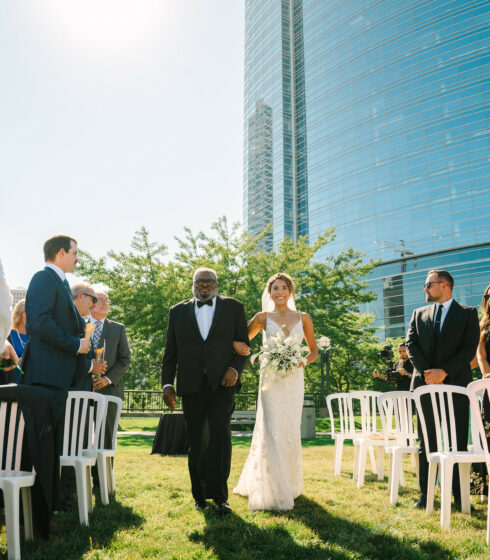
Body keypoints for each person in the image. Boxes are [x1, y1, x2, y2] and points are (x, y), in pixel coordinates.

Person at [161, 267, 249, 514]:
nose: (205, 285)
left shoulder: (234, 307)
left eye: (210, 282)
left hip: (223, 385)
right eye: (200, 281)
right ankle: (199, 496)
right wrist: (167, 384)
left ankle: (220, 497)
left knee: (220, 440)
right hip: (191, 387)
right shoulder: (177, 312)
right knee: (198, 441)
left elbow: (245, 345)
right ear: (193, 284)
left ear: (217, 284)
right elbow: (171, 352)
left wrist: (235, 368)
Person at [233, 272, 318, 510]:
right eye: (275, 288)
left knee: (289, 429)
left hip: (293, 381)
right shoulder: (262, 318)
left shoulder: (304, 318)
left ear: (290, 291)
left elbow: (313, 352)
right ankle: (270, 488)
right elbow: (243, 342)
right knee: (271, 428)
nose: (279, 292)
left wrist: (299, 362)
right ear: (269, 293)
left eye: (283, 288)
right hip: (270, 381)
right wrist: (240, 349)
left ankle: (289, 484)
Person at [406, 269, 480, 509]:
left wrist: (444, 372)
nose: (425, 289)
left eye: (429, 285)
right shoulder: (418, 314)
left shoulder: (468, 314)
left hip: (456, 385)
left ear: (445, 285)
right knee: (426, 441)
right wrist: (430, 373)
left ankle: (459, 496)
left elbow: (469, 349)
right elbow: (411, 345)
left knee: (457, 441)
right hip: (425, 386)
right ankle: (426, 495)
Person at [22, 234, 91, 390]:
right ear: (61, 252)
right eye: (74, 253)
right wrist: (77, 345)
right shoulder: (44, 278)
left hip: (58, 379)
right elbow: (41, 323)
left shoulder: (63, 283)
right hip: (44, 379)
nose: (77, 259)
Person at [89, 291, 130, 450]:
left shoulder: (118, 329)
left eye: (107, 300)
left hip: (110, 392)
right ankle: (83, 474)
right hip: (83, 389)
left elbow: (125, 359)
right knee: (82, 438)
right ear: (91, 303)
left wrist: (107, 379)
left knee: (106, 440)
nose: (105, 303)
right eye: (101, 300)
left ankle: (101, 475)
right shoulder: (80, 326)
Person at [71, 283, 107, 391]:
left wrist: (96, 364)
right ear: (81, 296)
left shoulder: (81, 322)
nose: (94, 305)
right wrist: (91, 366)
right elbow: (65, 356)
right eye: (94, 300)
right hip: (70, 393)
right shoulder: (67, 320)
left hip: (82, 392)